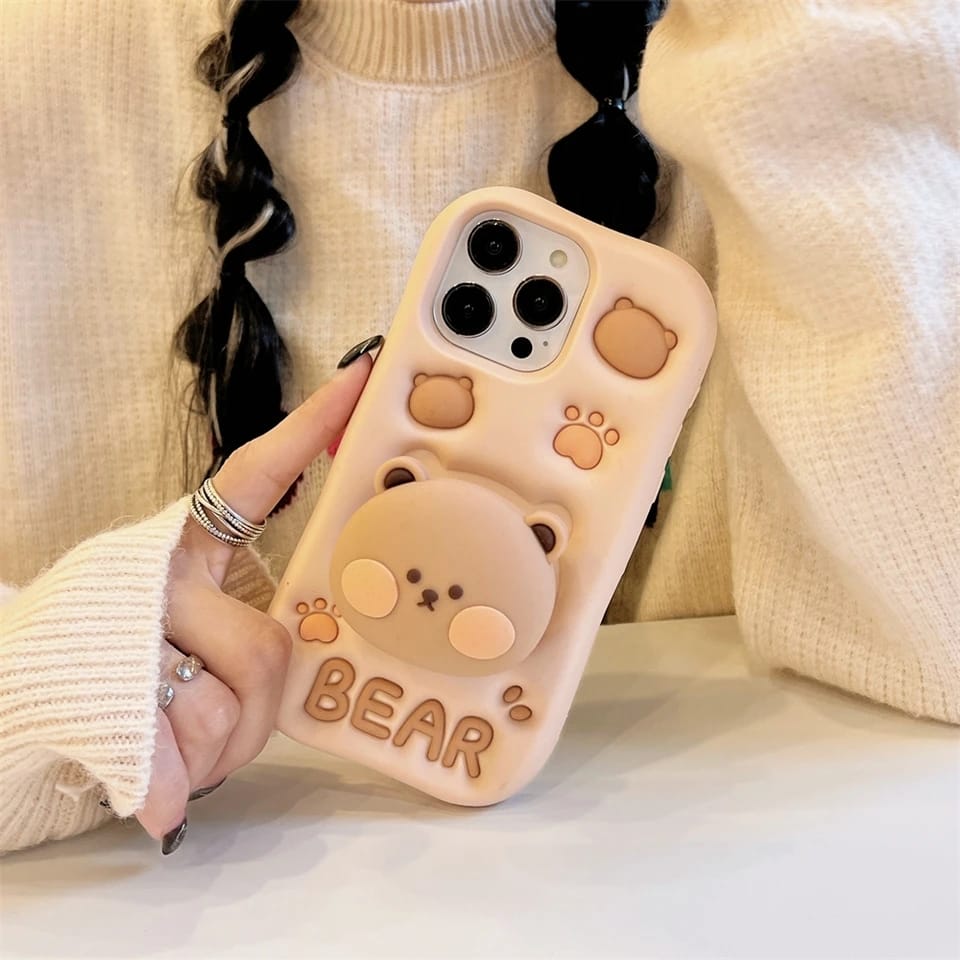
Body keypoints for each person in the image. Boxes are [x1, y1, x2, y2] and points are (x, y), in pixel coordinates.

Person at [1, 0, 957, 857]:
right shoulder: (40, 63)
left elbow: (934, 652)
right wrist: (49, 674)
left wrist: (830, 61)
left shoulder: (804, 63)